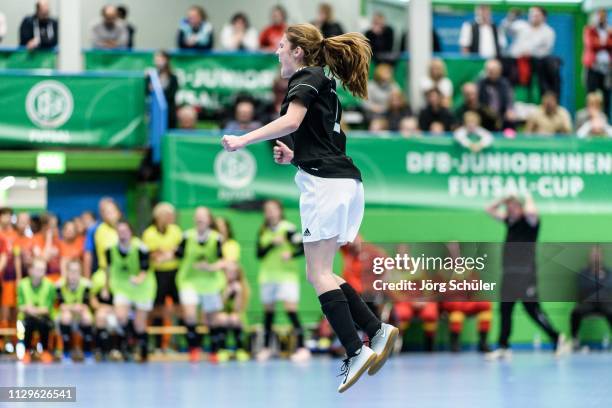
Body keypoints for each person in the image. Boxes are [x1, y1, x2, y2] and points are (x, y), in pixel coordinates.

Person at [222, 23, 398, 393]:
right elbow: (322, 138)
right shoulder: (325, 82)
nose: (277, 52)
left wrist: (243, 139)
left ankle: (356, 350)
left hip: (326, 185)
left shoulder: (306, 76)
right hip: (342, 180)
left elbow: (292, 121)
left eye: (282, 46)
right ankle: (377, 331)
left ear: (299, 51)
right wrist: (296, 156)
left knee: (316, 275)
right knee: (325, 273)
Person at [485, 195, 569, 360]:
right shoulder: (510, 222)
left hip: (526, 276)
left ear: (522, 208)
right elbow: (488, 210)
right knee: (505, 310)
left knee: (532, 311)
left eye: (513, 207)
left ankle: (557, 338)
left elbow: (531, 211)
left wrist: (527, 196)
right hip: (509, 275)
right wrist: (504, 200)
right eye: (508, 208)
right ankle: (503, 346)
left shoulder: (530, 223)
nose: (510, 210)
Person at [255, 200, 309, 362]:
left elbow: (302, 247)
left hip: (286, 276)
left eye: (273, 209)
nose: (270, 213)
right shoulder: (263, 231)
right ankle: (266, 348)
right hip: (268, 276)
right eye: (267, 210)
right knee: (268, 314)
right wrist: (272, 244)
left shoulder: (287, 229)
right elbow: (259, 254)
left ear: (279, 211)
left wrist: (290, 255)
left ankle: (302, 348)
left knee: (290, 310)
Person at [176, 207, 229, 363]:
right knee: (191, 315)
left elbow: (223, 261)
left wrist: (210, 267)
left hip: (210, 281)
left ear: (209, 219)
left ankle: (214, 351)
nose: (199, 219)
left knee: (213, 319)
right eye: (197, 216)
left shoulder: (216, 238)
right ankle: (193, 349)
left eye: (203, 216)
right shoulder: (186, 236)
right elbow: (176, 254)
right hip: (189, 281)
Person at [106, 220, 154, 362]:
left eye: (125, 231)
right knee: (120, 317)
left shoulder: (141, 248)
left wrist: (138, 279)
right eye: (120, 232)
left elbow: (145, 270)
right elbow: (108, 269)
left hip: (143, 286)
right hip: (122, 286)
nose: (123, 235)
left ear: (131, 232)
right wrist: (106, 286)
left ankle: (143, 350)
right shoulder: (111, 249)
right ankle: (127, 346)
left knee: (140, 324)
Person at [142, 202, 182, 352]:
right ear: (159, 216)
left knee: (179, 308)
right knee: (157, 309)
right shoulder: (149, 233)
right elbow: (151, 255)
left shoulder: (176, 231)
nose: (171, 218)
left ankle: (178, 344)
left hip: (174, 273)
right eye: (167, 215)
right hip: (157, 275)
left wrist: (166, 253)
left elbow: (178, 251)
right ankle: (158, 345)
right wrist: (166, 253)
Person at [438, 242, 492, 353]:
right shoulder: (442, 272)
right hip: (453, 306)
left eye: (456, 250)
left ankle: (483, 342)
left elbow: (475, 286)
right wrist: (461, 285)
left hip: (467, 303)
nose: (454, 254)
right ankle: (454, 344)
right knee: (456, 315)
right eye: (451, 251)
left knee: (485, 307)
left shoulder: (468, 269)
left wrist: (459, 286)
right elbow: (443, 291)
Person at [570, 245, 612, 350]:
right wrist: (597, 280)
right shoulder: (583, 273)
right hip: (587, 303)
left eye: (597, 254)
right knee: (575, 312)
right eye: (593, 254)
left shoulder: (609, 273)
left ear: (601, 257)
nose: (595, 257)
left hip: (605, 303)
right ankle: (575, 339)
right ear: (590, 257)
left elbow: (608, 287)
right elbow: (583, 287)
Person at [17, 257, 55, 364]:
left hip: (44, 317)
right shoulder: (22, 284)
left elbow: (48, 308)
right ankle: (27, 352)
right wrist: (27, 309)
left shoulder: (50, 285)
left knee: (44, 323)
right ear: (31, 270)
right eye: (38, 269)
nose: (40, 273)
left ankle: (45, 351)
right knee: (28, 323)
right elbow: (20, 305)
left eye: (43, 270)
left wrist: (33, 310)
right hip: (27, 316)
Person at [56, 260, 93, 362]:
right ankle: (66, 352)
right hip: (65, 315)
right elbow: (61, 306)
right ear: (66, 272)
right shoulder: (59, 285)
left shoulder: (87, 285)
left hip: (80, 313)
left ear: (80, 272)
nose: (73, 274)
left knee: (87, 318)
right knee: (66, 316)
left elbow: (86, 306)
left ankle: (87, 352)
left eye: (76, 271)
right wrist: (74, 307)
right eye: (71, 271)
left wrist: (74, 307)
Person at [582, 9, 612, 118]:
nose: (601, 18)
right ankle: (590, 119)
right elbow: (592, 44)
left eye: (603, 16)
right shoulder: (589, 30)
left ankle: (606, 121)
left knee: (607, 96)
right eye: (599, 16)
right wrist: (605, 43)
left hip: (607, 69)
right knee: (591, 95)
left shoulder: (609, 31)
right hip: (592, 67)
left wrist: (602, 42)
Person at [477, 59, 516, 129]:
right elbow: (478, 100)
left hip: (501, 113)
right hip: (485, 114)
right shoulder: (481, 83)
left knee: (510, 118)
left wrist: (510, 109)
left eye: (493, 70)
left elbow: (509, 98)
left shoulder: (505, 83)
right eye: (489, 70)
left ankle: (509, 138)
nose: (491, 72)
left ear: (499, 71)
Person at [152, 50, 179, 129]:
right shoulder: (152, 77)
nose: (157, 61)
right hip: (155, 113)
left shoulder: (173, 78)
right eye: (156, 58)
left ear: (166, 60)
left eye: (160, 58)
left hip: (169, 113)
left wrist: (157, 90)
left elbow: (171, 94)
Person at [32, 212, 61, 281]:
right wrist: (49, 238)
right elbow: (44, 259)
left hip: (57, 279)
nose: (56, 228)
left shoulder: (57, 240)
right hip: (42, 279)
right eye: (53, 225)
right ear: (44, 226)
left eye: (56, 225)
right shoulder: (35, 239)